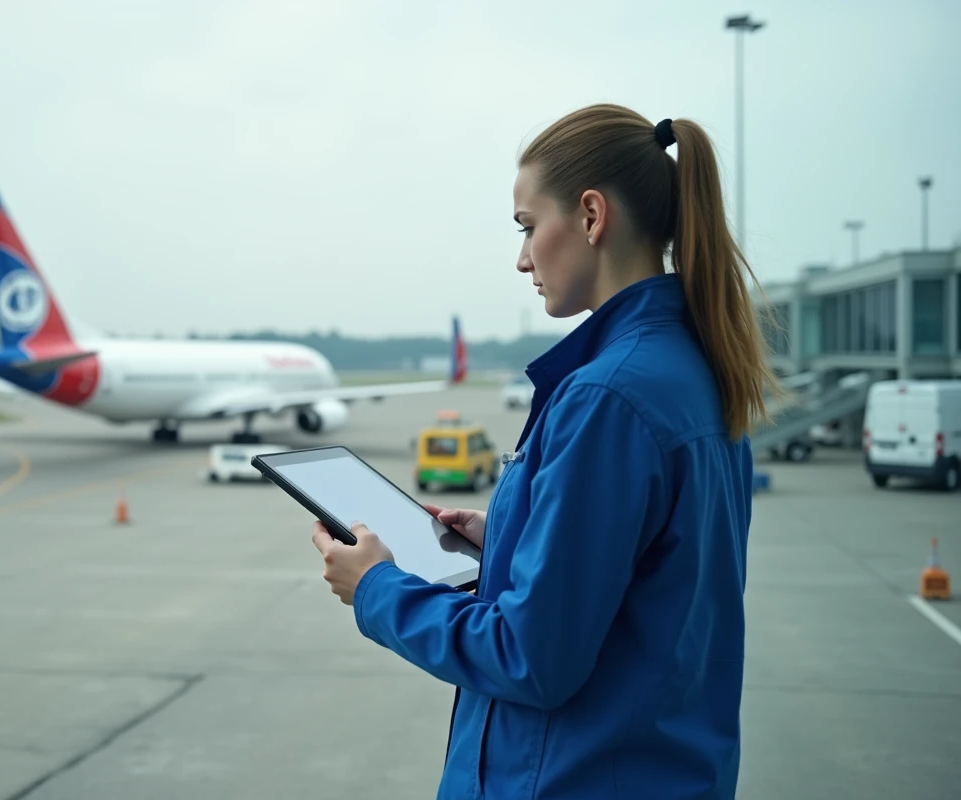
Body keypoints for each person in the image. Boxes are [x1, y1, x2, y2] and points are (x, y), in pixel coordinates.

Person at [310, 103, 780, 799]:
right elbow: (658, 570)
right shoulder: (699, 369)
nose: (523, 257)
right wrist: (506, 536)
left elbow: (531, 659)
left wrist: (376, 589)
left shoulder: (607, 397)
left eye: (529, 227)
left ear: (591, 217)